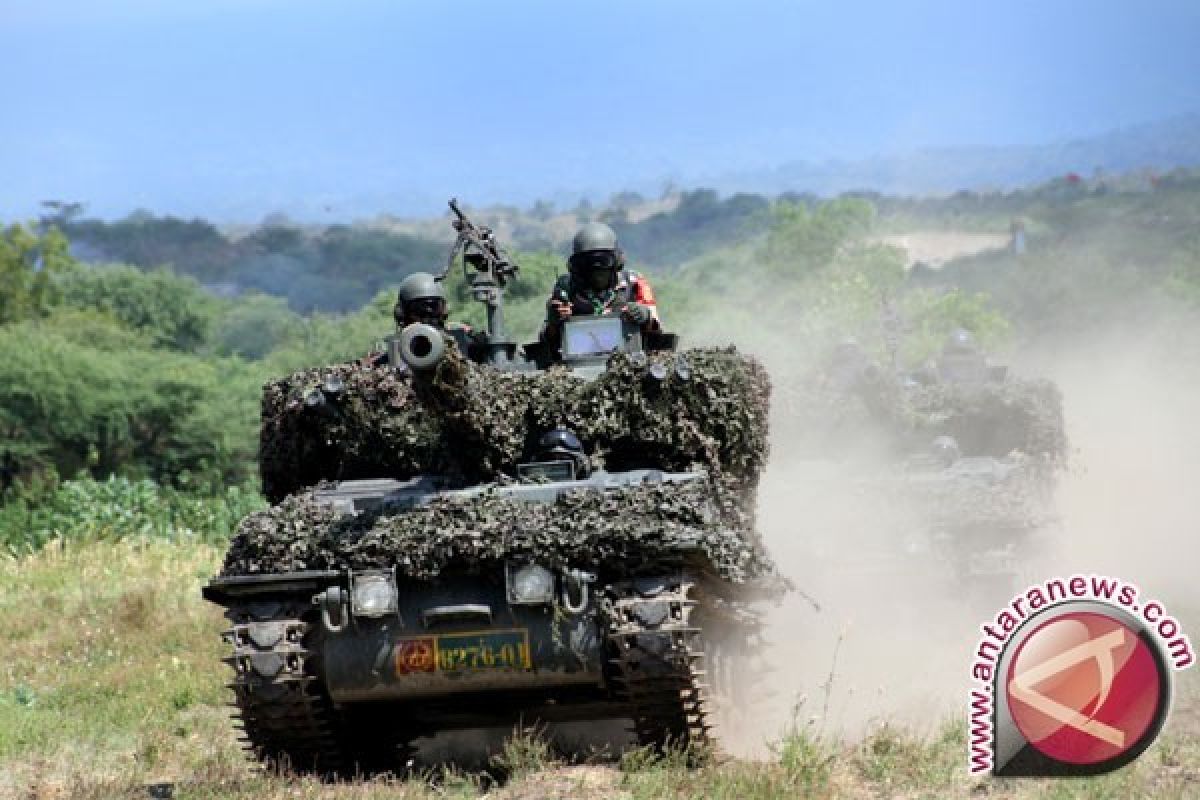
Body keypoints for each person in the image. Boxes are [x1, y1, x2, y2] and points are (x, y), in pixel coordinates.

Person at [539, 222, 660, 348]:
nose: (596, 268)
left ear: (616, 261)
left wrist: (645, 316)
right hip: (577, 361)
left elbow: (658, 332)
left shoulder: (634, 282)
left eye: (604, 261)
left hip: (631, 357)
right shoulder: (566, 287)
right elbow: (546, 341)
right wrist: (554, 322)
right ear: (578, 265)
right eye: (587, 262)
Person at [362, 271, 485, 367]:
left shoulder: (462, 342)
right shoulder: (395, 351)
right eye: (420, 309)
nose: (428, 314)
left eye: (434, 307)